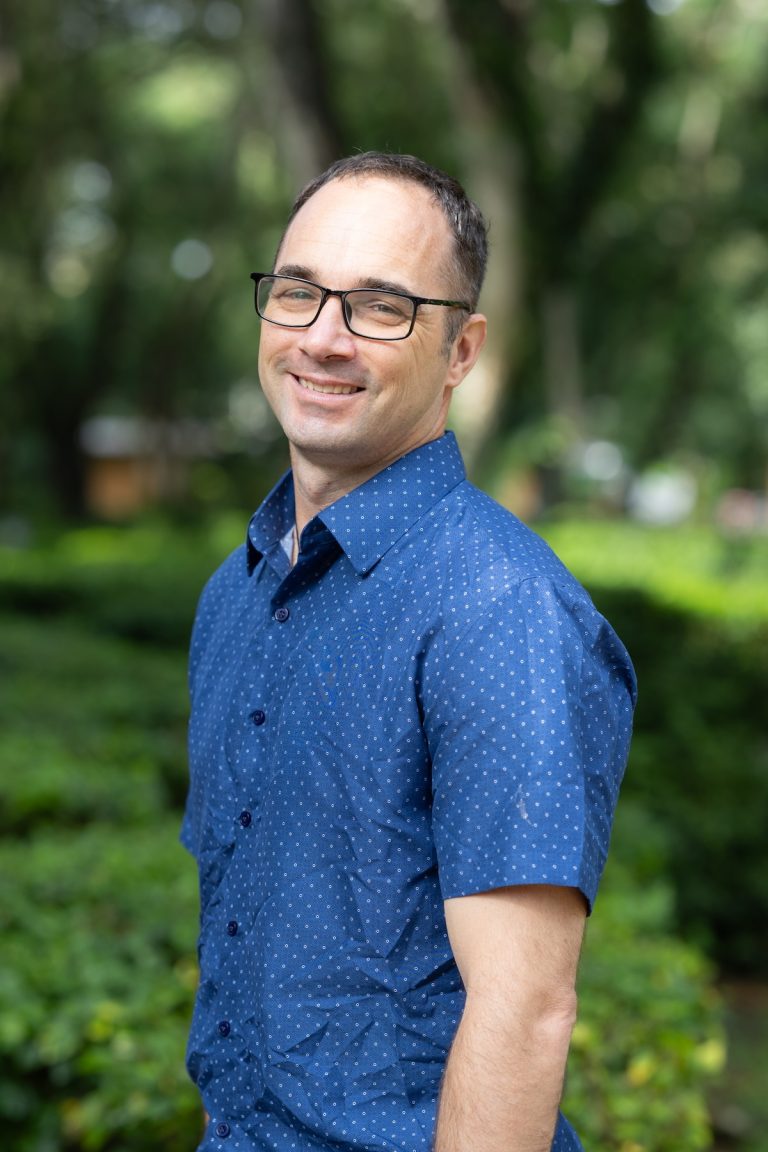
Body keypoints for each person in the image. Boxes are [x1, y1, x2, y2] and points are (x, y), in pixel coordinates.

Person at [181, 151, 636, 1152]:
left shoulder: (500, 610)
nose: (323, 337)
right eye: (297, 292)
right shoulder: (234, 594)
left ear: (461, 351)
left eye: (382, 307)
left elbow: (524, 1012)